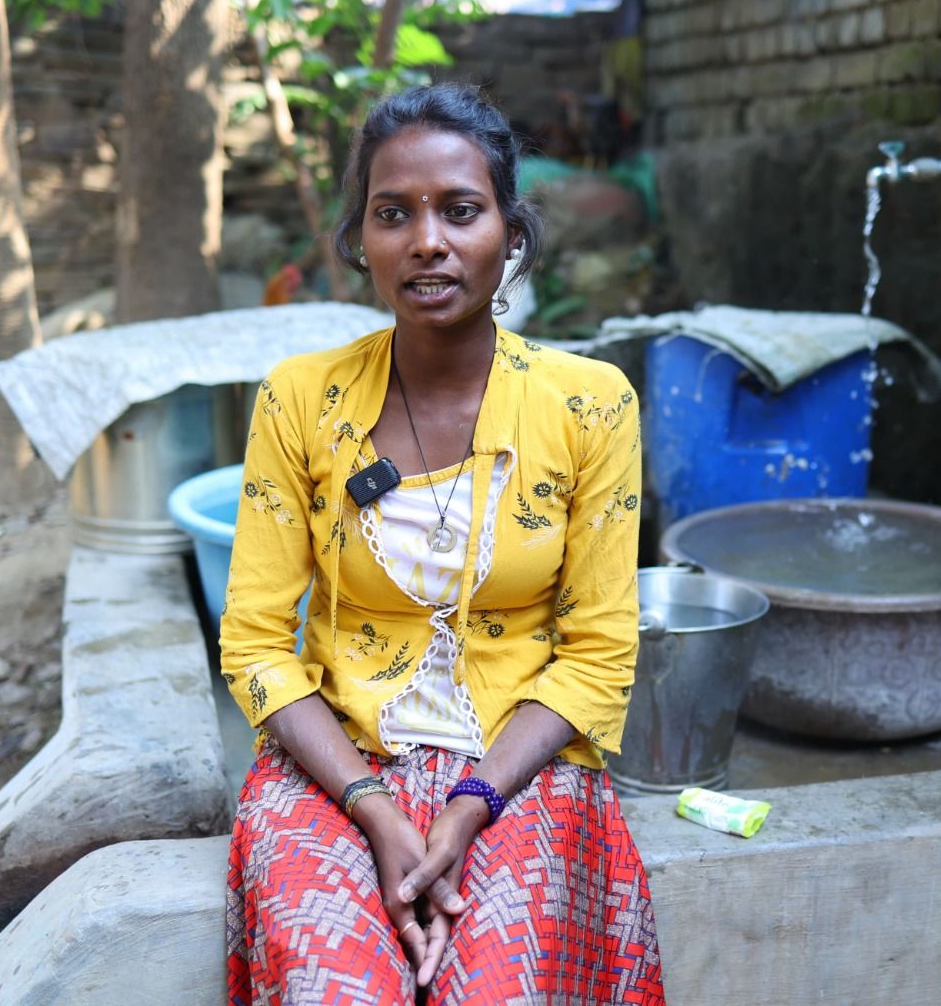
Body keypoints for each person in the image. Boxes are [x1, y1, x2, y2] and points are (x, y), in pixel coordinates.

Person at [219, 83, 665, 1005]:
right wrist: (374, 809)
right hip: (337, 767)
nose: (428, 241)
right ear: (360, 240)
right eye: (394, 214)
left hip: (520, 768)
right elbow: (256, 647)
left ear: (510, 233)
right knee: (334, 989)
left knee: (495, 988)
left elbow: (598, 655)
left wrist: (471, 803)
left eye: (461, 210)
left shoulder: (589, 405)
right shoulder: (300, 401)